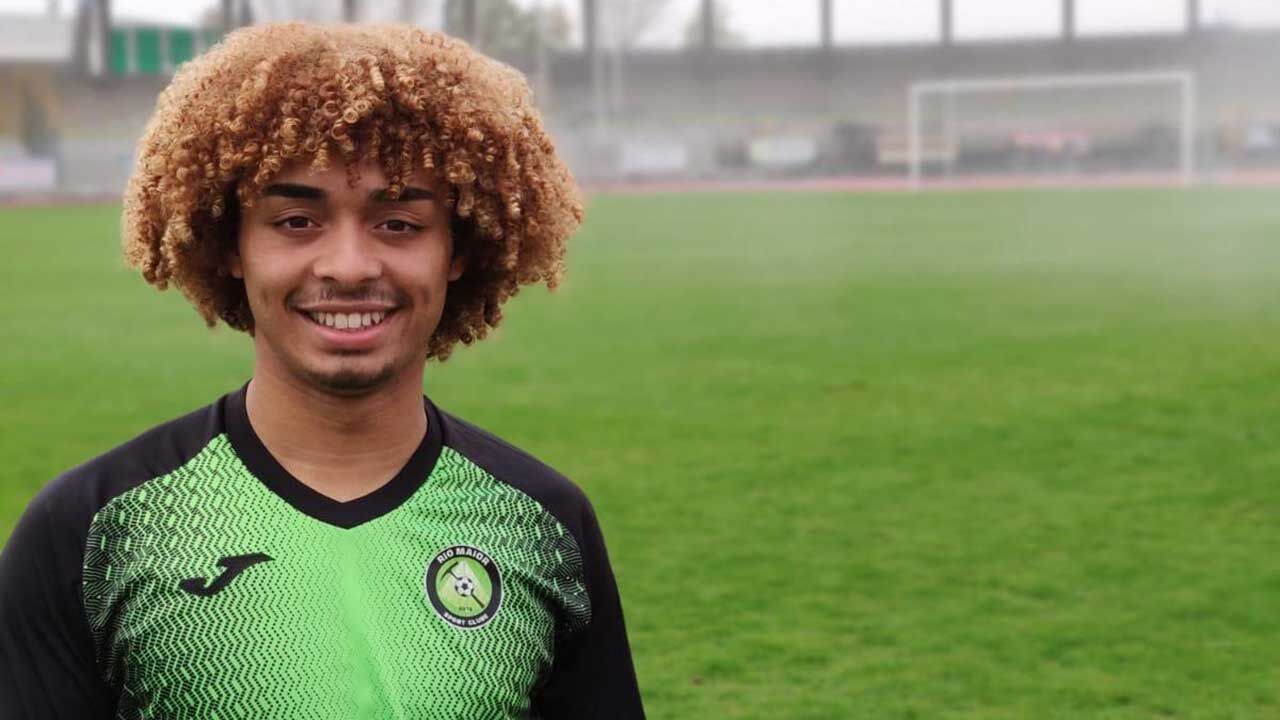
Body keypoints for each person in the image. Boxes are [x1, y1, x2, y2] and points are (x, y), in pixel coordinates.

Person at [0, 22, 644, 719]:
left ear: (459, 251)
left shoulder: (542, 526)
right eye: (297, 221)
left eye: (398, 224)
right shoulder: (94, 531)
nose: (349, 266)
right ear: (230, 245)